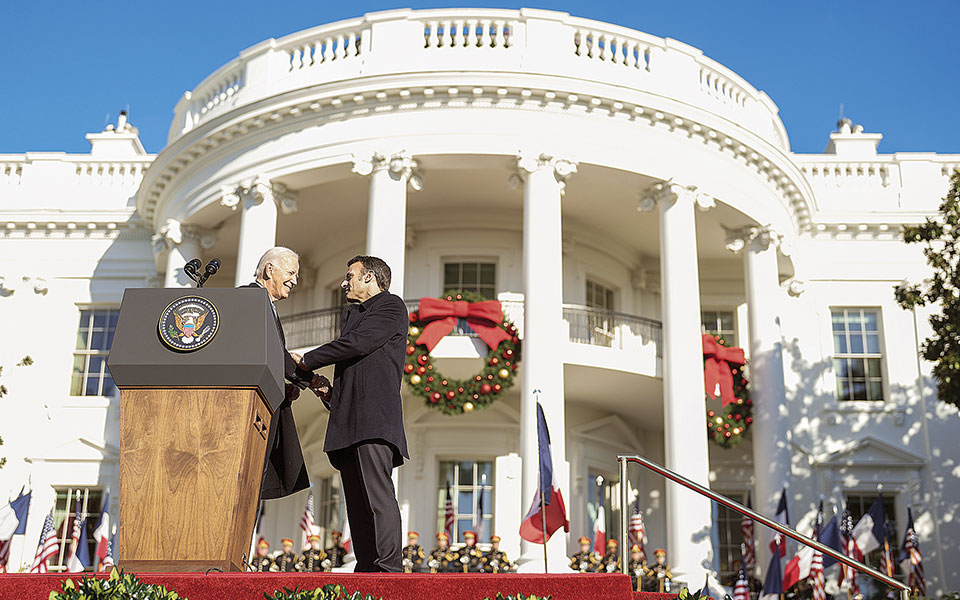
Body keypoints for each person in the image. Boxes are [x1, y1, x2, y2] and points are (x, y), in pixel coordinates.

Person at [299, 256, 409, 573]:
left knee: (377, 497)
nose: (344, 283)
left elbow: (357, 344)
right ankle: (366, 569)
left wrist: (306, 359)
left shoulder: (390, 305)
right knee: (358, 505)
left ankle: (388, 570)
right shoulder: (355, 315)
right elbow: (355, 372)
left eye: (350, 276)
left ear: (369, 277)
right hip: (347, 425)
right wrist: (328, 393)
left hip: (374, 422)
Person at [242, 247, 331, 500]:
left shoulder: (265, 304)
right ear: (269, 269)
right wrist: (312, 381)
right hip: (246, 408)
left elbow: (263, 355)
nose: (295, 280)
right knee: (249, 481)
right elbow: (272, 351)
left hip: (264, 405)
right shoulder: (249, 298)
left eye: (297, 275)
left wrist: (282, 385)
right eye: (291, 272)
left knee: (255, 483)